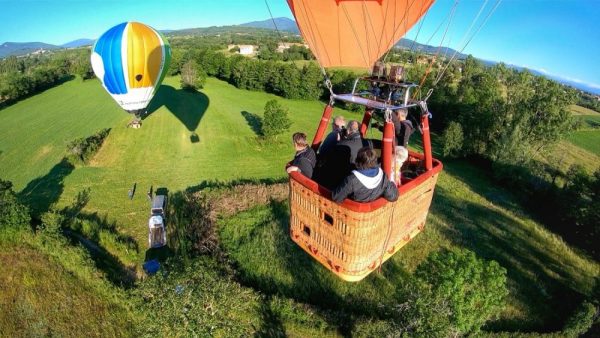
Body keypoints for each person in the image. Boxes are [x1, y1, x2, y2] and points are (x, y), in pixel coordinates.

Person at [332, 147, 398, 203]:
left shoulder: (352, 180)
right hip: (372, 213)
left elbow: (336, 198)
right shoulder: (383, 175)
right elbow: (393, 196)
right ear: (375, 160)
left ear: (357, 160)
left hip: (353, 212)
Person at [319, 120, 365, 188]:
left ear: (348, 130)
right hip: (352, 177)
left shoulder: (342, 145)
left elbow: (328, 156)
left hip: (336, 178)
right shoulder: (363, 143)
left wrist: (339, 142)